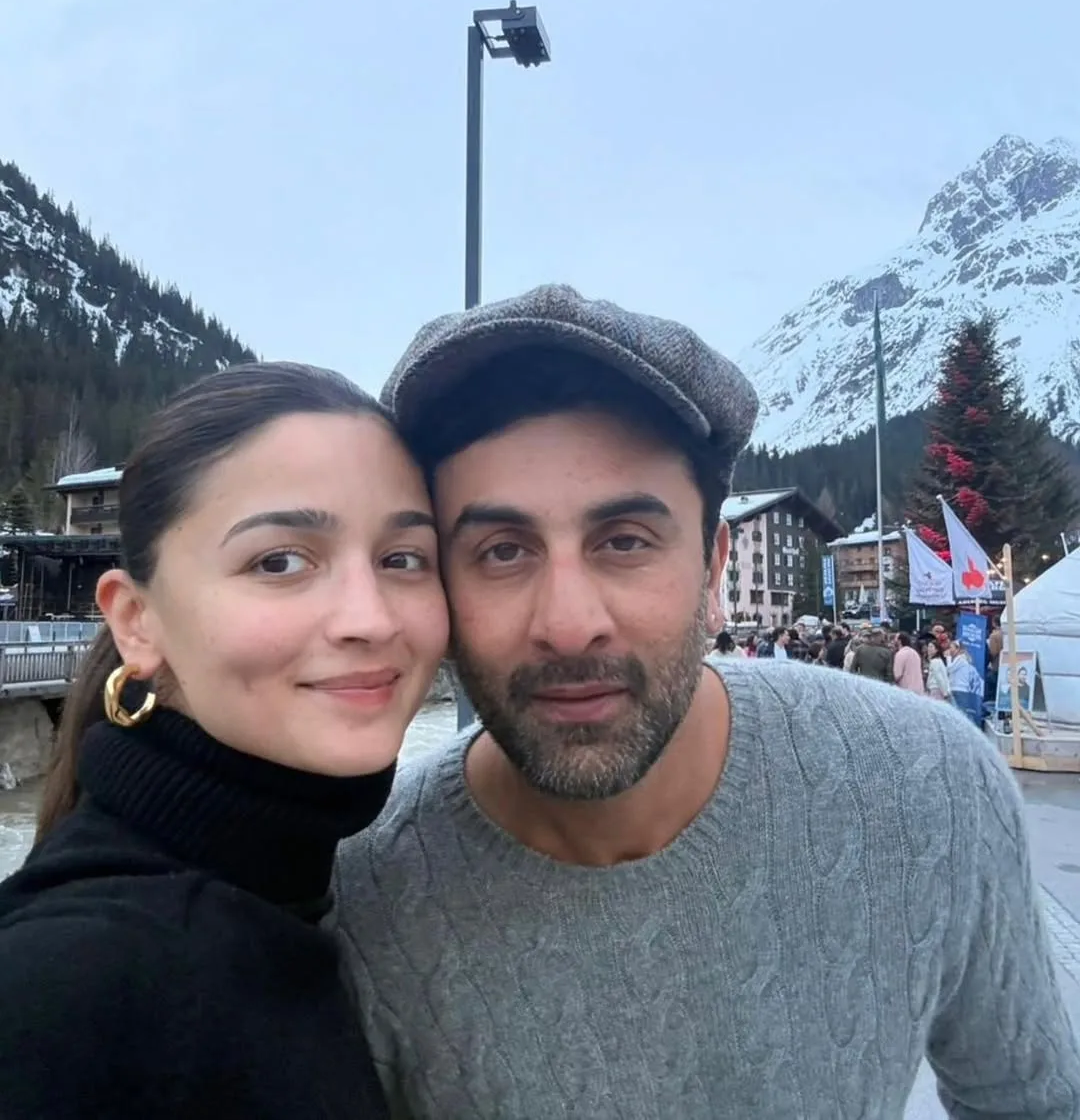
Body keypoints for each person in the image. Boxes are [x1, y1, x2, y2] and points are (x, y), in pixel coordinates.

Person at [333, 285, 1080, 1119]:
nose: (569, 624)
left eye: (625, 541)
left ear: (713, 565)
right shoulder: (362, 895)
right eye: (502, 551)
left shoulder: (929, 787)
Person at [0, 362, 448, 1119]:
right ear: (136, 620)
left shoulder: (281, 901)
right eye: (279, 561)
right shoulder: (77, 986)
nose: (370, 618)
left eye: (402, 558)